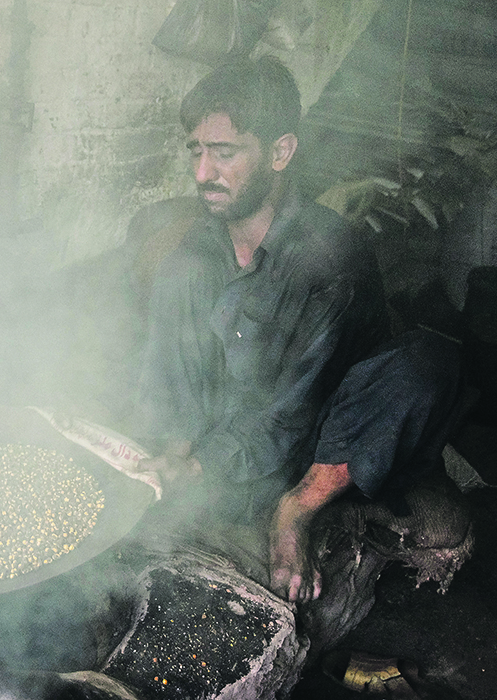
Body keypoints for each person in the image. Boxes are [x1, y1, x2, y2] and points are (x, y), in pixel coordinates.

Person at [130, 56, 465, 605]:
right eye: (196, 151)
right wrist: (176, 451)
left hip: (318, 440)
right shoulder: (192, 255)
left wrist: (208, 464)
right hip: (232, 436)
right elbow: (172, 372)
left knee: (427, 362)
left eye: (225, 153)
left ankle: (297, 509)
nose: (201, 174)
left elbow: (296, 408)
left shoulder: (328, 256)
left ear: (280, 152)